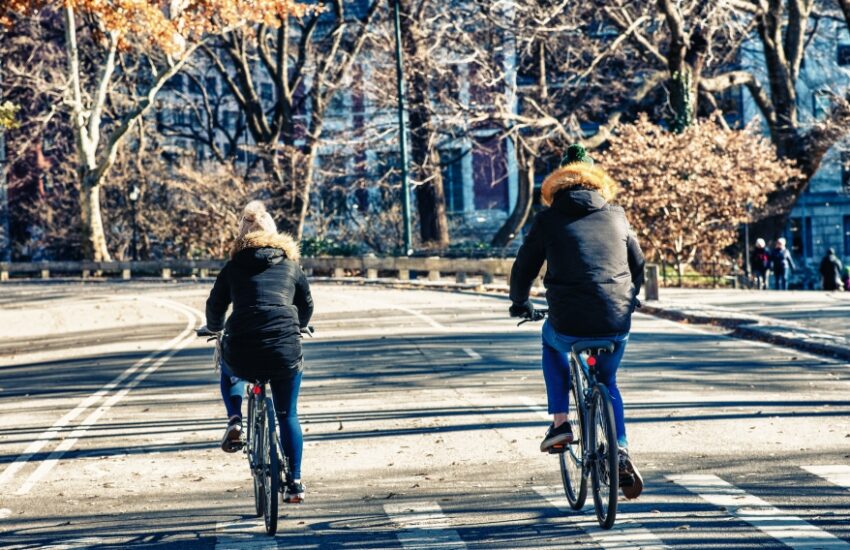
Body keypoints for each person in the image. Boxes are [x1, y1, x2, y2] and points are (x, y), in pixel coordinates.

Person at [508, 152, 645, 500]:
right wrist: (631, 296)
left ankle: (559, 424)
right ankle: (621, 449)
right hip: (616, 318)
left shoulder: (547, 220)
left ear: (555, 191)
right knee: (608, 380)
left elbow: (524, 267)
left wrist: (520, 302)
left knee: (550, 341)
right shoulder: (617, 216)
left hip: (567, 321)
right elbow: (638, 262)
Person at [200, 200, 314, 504]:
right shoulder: (291, 267)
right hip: (284, 349)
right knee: (288, 414)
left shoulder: (233, 268)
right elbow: (306, 304)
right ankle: (296, 482)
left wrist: (214, 328)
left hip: (243, 346)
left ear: (242, 236)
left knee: (229, 366)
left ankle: (235, 418)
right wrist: (299, 326)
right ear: (275, 235)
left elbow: (215, 305)